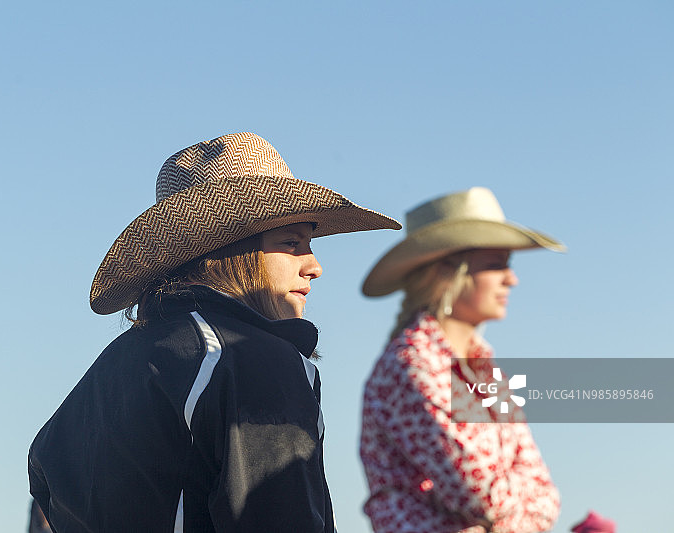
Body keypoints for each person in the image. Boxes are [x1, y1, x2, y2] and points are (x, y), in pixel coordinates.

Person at [28, 132, 400, 532]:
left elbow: (45, 470)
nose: (314, 266)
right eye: (292, 243)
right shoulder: (255, 360)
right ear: (230, 249)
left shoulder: (112, 365)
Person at [359, 187, 563, 533]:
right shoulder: (413, 365)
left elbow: (547, 496)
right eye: (496, 265)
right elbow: (480, 497)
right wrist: (515, 506)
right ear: (449, 273)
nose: (510, 279)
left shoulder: (483, 366)